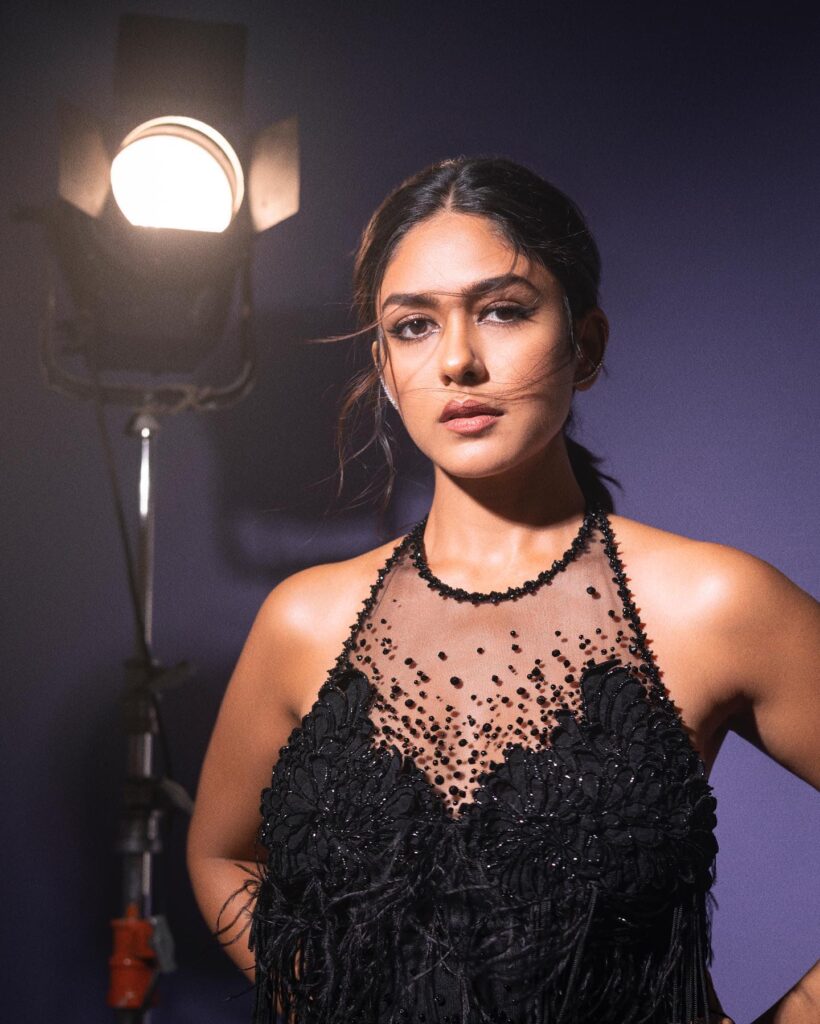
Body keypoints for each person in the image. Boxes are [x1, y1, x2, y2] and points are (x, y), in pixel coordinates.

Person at [187, 157, 820, 1024]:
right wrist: (329, 998)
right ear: (381, 363)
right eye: (413, 326)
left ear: (585, 345)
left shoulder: (712, 604)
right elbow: (222, 854)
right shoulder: (306, 619)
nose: (456, 360)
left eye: (503, 311)